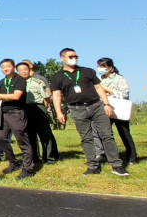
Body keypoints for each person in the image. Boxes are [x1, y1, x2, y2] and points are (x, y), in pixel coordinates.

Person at [51, 48, 129, 176]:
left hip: (96, 106)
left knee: (107, 135)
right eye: (71, 56)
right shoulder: (57, 76)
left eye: (76, 56)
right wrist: (59, 112)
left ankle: (116, 165)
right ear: (62, 58)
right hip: (77, 109)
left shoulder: (87, 71)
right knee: (86, 138)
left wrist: (106, 104)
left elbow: (98, 88)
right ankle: (92, 166)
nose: (74, 59)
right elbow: (56, 95)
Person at [0, 59, 35, 179]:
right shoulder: (2, 81)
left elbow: (16, 96)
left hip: (16, 112)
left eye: (8, 66)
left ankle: (28, 168)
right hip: (3, 112)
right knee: (0, 139)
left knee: (22, 140)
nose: (5, 69)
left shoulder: (19, 80)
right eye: (2, 67)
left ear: (13, 67)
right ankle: (13, 163)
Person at [16, 62, 58, 163]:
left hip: (38, 107)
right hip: (24, 109)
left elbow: (46, 98)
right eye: (21, 70)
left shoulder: (38, 82)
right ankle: (34, 158)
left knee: (44, 134)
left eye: (25, 69)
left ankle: (49, 158)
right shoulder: (16, 84)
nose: (24, 72)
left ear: (29, 70)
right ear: (17, 72)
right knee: (29, 135)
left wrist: (43, 110)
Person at [97, 58, 136, 166]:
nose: (100, 69)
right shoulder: (99, 79)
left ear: (110, 68)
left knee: (124, 133)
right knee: (104, 133)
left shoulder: (120, 79)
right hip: (104, 109)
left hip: (119, 109)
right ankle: (106, 155)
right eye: (98, 66)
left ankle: (131, 157)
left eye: (102, 66)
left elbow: (124, 94)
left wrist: (106, 89)